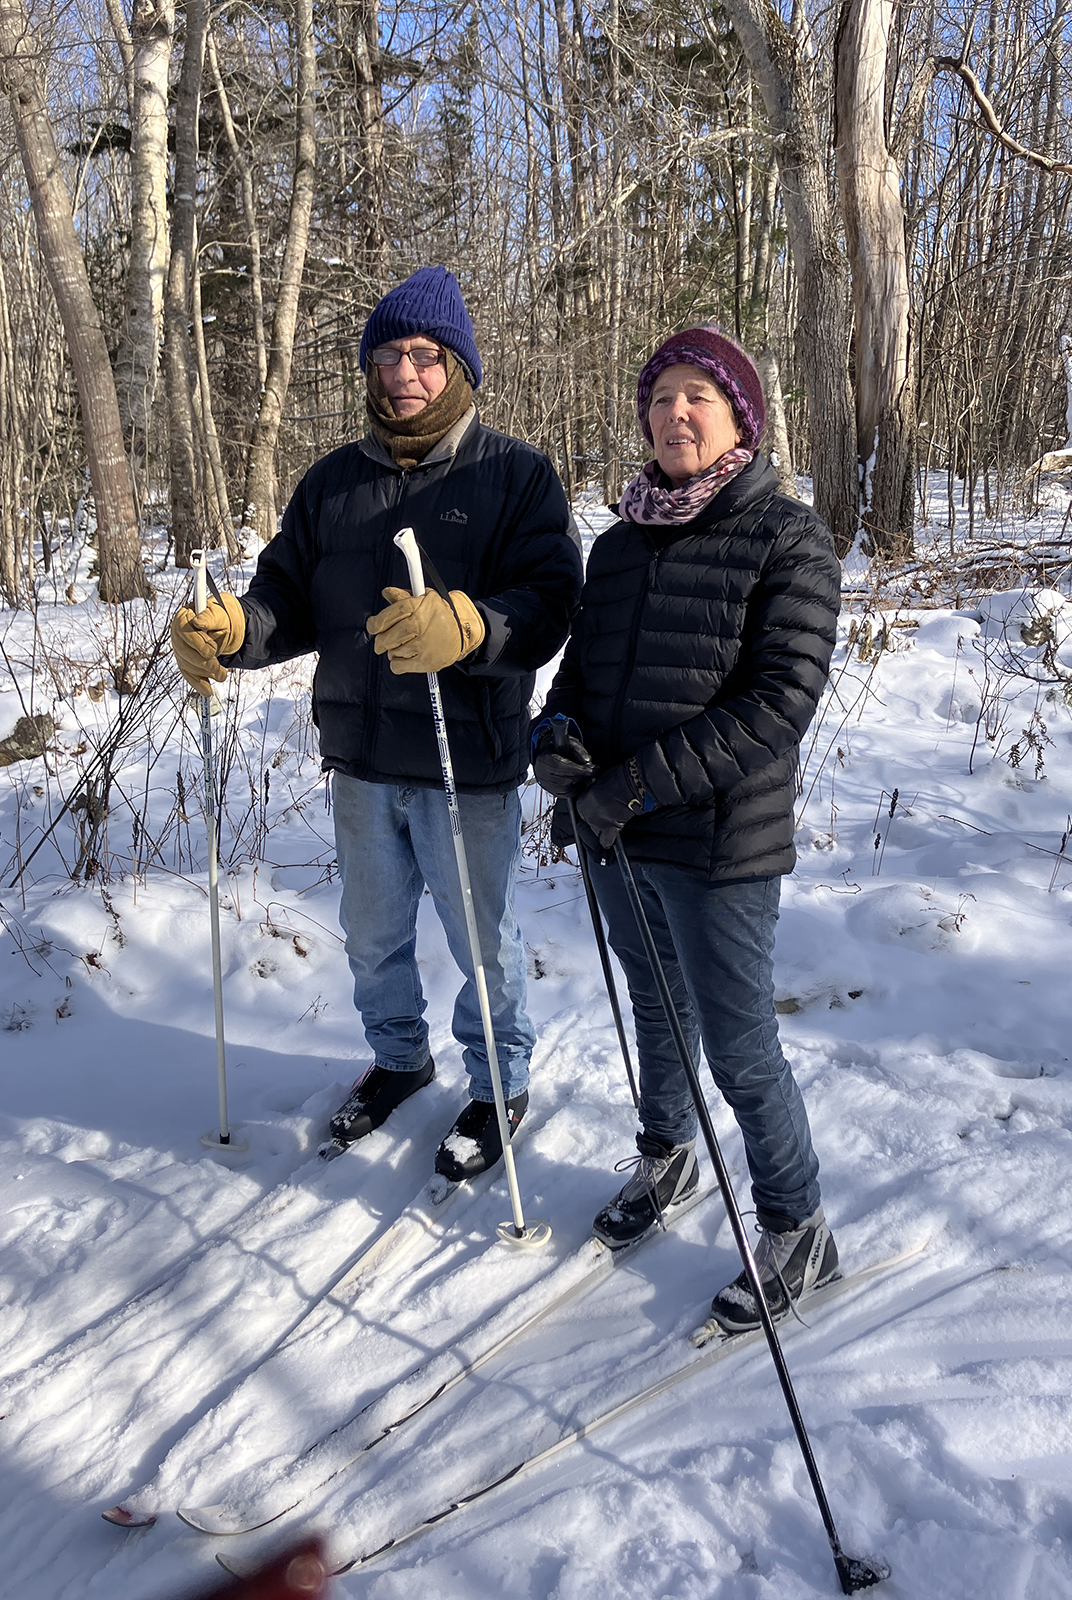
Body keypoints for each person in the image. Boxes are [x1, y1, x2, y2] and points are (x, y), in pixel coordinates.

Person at [172, 266, 582, 1182]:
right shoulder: (331, 485)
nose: (405, 372)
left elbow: (552, 599)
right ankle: (400, 1059)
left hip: (465, 762)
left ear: (459, 368)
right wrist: (237, 628)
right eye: (388, 354)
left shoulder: (516, 475)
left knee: (485, 943)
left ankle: (500, 1084)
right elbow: (288, 596)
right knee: (371, 933)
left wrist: (471, 624)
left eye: (426, 356)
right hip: (361, 759)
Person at [532, 325, 841, 1329]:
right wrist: (558, 744)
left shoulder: (786, 536)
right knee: (655, 1007)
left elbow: (777, 703)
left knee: (741, 1040)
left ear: (739, 416)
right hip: (619, 826)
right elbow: (580, 678)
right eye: (661, 397)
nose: (676, 414)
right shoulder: (620, 543)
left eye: (698, 396)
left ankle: (800, 1226)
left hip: (718, 839)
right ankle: (667, 1157)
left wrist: (633, 787)